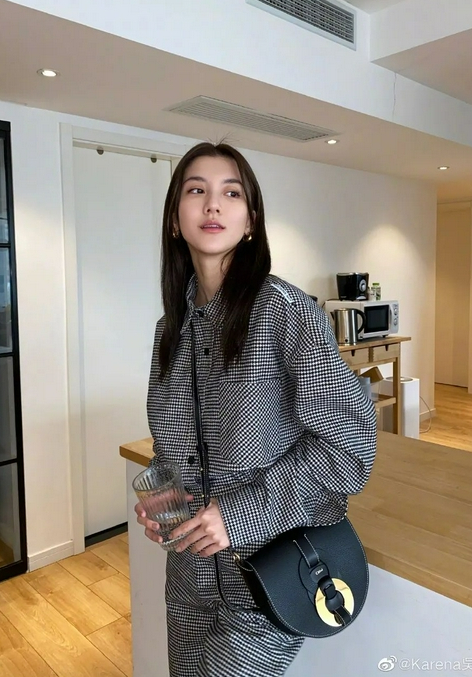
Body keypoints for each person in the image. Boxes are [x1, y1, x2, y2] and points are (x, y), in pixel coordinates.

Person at [135, 141, 377, 676]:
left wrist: (238, 513)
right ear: (175, 219)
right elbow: (176, 447)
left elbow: (352, 447)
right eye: (196, 190)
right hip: (189, 581)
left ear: (250, 221)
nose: (212, 204)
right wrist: (164, 498)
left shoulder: (286, 313)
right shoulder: (168, 331)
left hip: (268, 580)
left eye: (231, 193)